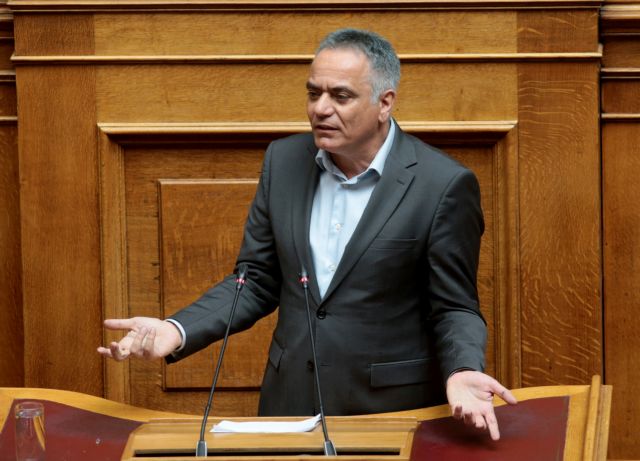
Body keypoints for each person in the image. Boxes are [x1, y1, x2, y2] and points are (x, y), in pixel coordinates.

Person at [98, 28, 516, 440]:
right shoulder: (283, 161)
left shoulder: (442, 184)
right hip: (289, 404)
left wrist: (463, 369)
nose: (320, 108)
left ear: (385, 102)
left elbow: (454, 306)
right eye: (313, 93)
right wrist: (176, 331)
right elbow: (255, 280)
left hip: (387, 412)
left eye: (340, 96)